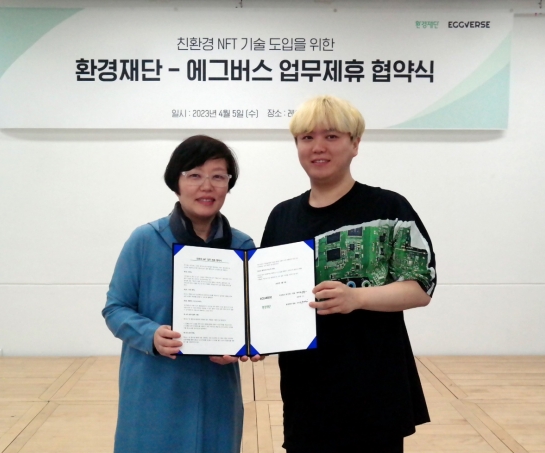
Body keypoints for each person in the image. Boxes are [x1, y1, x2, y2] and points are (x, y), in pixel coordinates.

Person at [260, 95, 437, 453]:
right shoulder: (282, 216)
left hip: (375, 391)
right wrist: (246, 340)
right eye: (307, 137)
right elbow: (267, 301)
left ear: (355, 144)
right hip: (305, 392)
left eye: (332, 136)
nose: (318, 147)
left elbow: (421, 287)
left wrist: (357, 297)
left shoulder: (389, 207)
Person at [102, 135, 256, 453]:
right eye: (194, 175)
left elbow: (252, 318)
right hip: (155, 390)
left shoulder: (242, 247)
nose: (207, 186)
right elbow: (115, 308)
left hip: (217, 391)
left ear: (228, 184)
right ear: (176, 182)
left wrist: (248, 344)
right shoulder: (145, 240)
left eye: (218, 176)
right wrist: (151, 335)